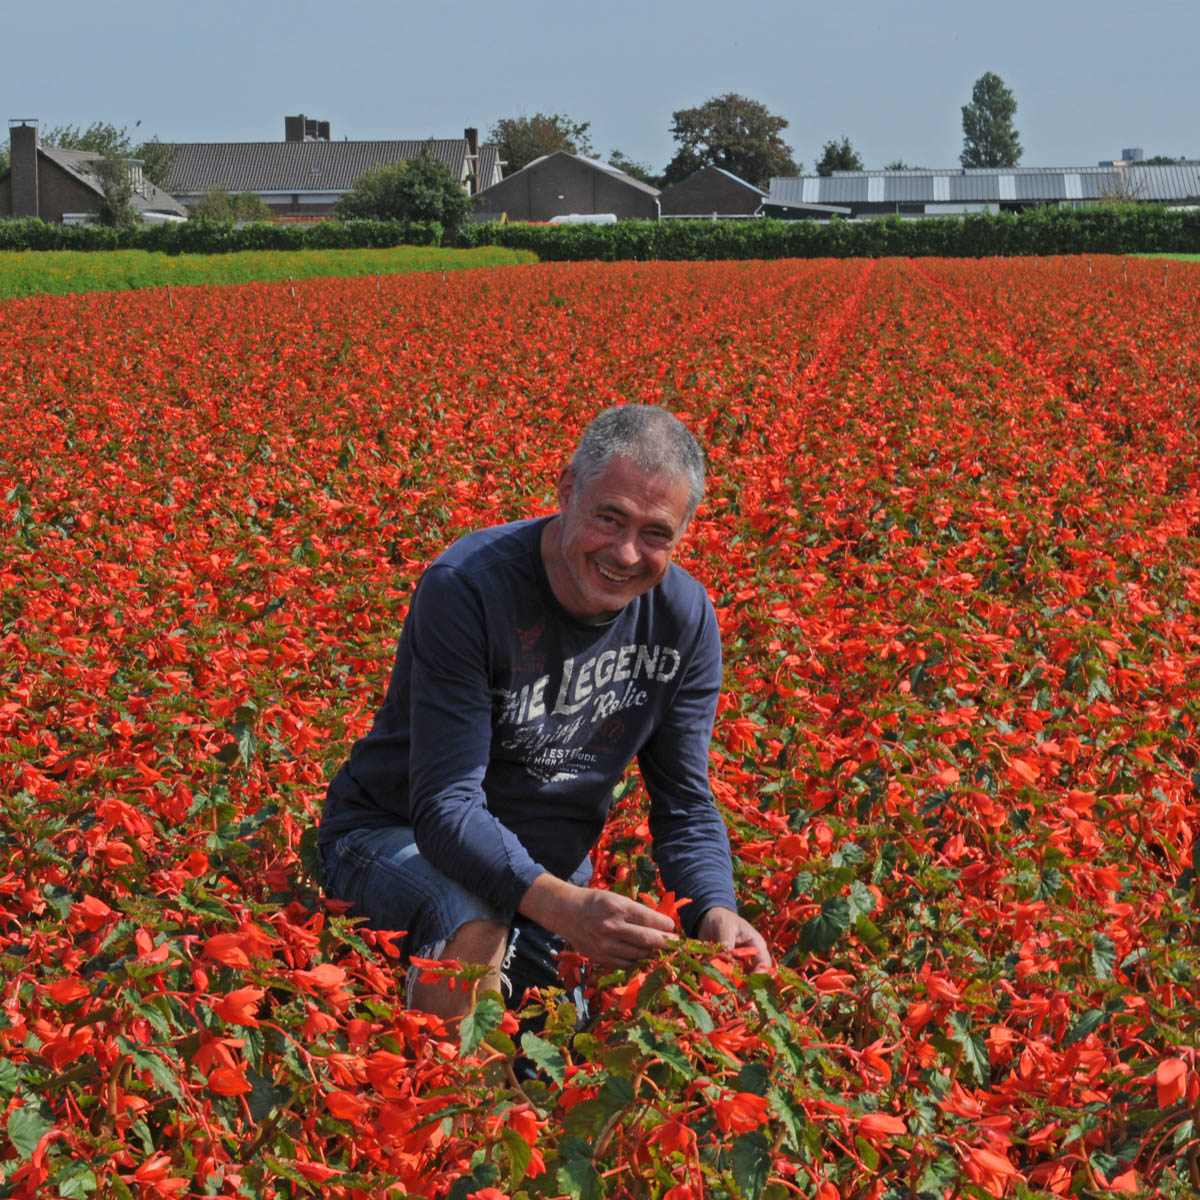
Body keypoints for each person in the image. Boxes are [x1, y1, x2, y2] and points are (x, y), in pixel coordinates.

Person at [318, 404, 770, 1018]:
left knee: (550, 1045)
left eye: (656, 533)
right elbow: (446, 806)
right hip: (392, 835)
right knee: (473, 921)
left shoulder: (684, 621)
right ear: (566, 491)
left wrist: (717, 908)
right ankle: (464, 1105)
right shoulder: (471, 588)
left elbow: (685, 803)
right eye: (609, 519)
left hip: (545, 877)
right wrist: (569, 909)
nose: (627, 553)